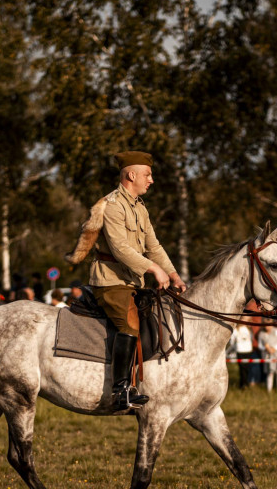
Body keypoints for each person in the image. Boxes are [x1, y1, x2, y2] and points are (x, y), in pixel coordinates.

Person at [62, 150, 186, 412]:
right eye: (147, 175)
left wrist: (173, 273)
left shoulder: (140, 207)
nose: (151, 180)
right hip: (110, 282)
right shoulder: (113, 205)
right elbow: (120, 249)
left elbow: (153, 245)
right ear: (132, 175)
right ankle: (121, 390)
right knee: (129, 325)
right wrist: (154, 269)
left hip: (133, 282)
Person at [258, 325, 277, 393]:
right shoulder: (261, 333)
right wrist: (266, 348)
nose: (267, 327)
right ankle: (269, 390)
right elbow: (260, 345)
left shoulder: (275, 331)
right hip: (267, 356)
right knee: (269, 373)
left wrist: (274, 348)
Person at [231, 324, 255, 389]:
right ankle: (243, 384)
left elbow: (252, 338)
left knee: (247, 368)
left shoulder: (249, 329)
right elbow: (232, 341)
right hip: (240, 350)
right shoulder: (236, 330)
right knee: (242, 368)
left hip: (248, 350)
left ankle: (245, 383)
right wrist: (236, 347)